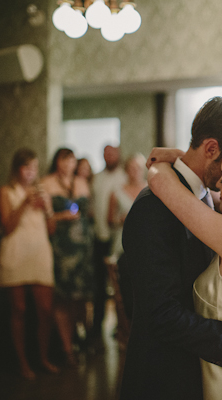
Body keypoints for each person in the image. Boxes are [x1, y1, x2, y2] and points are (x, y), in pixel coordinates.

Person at [119, 97, 222, 400]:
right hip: (166, 381)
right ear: (211, 149)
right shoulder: (152, 210)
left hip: (206, 373)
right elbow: (161, 315)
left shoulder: (214, 201)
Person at [0, 148, 57, 379]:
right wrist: (23, 203)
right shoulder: (6, 191)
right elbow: (6, 228)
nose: (31, 172)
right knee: (19, 310)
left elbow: (51, 230)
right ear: (17, 168)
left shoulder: (43, 193)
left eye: (34, 168)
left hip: (39, 251)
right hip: (15, 252)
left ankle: (43, 358)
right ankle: (23, 362)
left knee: (45, 310)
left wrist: (48, 209)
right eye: (26, 167)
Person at [41, 148, 93, 365]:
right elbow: (45, 218)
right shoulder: (46, 183)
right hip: (61, 247)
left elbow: (88, 212)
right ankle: (65, 348)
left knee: (80, 298)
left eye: (71, 159)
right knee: (62, 298)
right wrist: (61, 216)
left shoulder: (82, 182)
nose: (68, 163)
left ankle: (80, 339)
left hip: (82, 246)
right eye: (64, 159)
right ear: (57, 162)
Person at [90, 145, 126, 343]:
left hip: (118, 240)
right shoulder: (96, 178)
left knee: (119, 286)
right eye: (105, 153)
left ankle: (121, 327)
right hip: (99, 237)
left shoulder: (124, 178)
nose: (109, 156)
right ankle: (96, 328)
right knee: (98, 286)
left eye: (112, 153)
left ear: (118, 155)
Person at [107, 154, 145, 258]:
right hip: (123, 238)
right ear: (126, 170)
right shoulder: (116, 192)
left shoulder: (150, 190)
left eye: (138, 168)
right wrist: (120, 220)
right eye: (132, 168)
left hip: (145, 238)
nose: (135, 171)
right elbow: (110, 221)